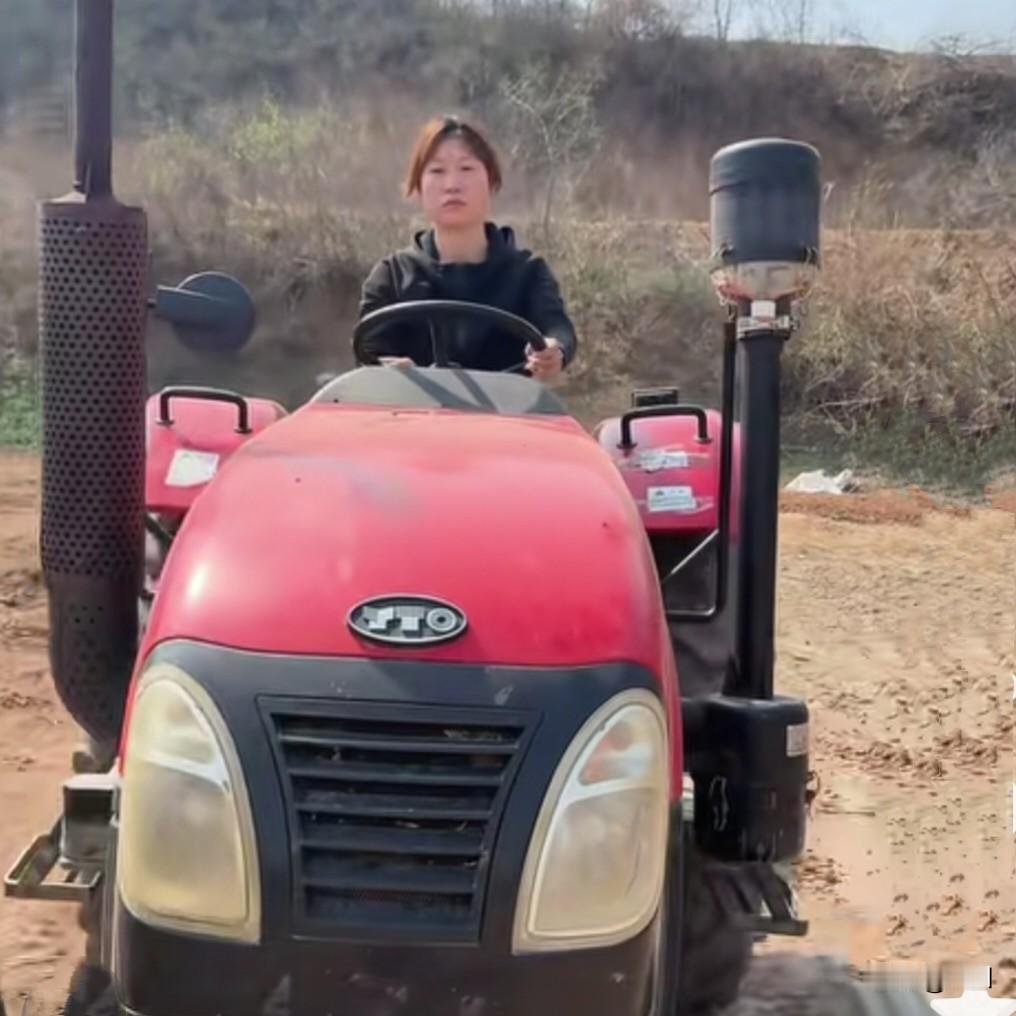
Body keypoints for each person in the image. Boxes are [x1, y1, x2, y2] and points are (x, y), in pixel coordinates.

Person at [356, 115, 578, 382]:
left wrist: (554, 350)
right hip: (411, 417)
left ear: (491, 182)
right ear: (418, 188)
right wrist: (389, 370)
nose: (452, 185)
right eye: (437, 171)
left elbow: (557, 328)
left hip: (506, 417)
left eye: (467, 169)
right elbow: (369, 350)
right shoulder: (392, 275)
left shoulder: (527, 273)